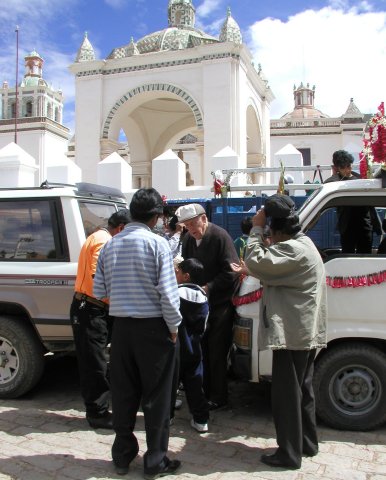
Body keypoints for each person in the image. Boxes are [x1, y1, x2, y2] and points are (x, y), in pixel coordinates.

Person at [232, 194, 327, 470]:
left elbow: (257, 261)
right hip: (302, 332)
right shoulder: (302, 243)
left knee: (286, 395)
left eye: (270, 231)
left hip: (292, 334)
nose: (268, 236)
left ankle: (289, 453)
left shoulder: (292, 250)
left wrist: (256, 228)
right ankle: (306, 444)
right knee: (302, 391)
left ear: (278, 229)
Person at [93, 188, 182, 479]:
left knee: (123, 394)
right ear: (156, 216)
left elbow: (99, 291)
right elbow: (169, 296)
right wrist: (173, 328)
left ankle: (122, 456)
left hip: (121, 330)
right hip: (154, 329)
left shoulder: (110, 245)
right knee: (157, 397)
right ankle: (155, 460)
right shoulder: (158, 245)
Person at [70, 209, 131, 430]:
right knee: (94, 364)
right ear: (122, 228)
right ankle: (97, 414)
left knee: (100, 360)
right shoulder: (103, 242)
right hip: (91, 309)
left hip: (95, 308)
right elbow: (99, 282)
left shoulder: (98, 236)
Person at [175, 203, 239, 410]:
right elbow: (186, 266)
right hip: (197, 303)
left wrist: (209, 287)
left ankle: (219, 396)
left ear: (204, 218)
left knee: (217, 350)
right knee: (199, 349)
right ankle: (202, 391)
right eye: (187, 226)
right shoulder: (187, 240)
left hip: (220, 303)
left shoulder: (220, 237)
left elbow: (232, 272)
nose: (192, 229)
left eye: (194, 223)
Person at [173, 258, 210, 433]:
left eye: (178, 272)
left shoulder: (175, 293)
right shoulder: (203, 297)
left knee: (170, 382)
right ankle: (201, 419)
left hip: (176, 348)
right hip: (195, 348)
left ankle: (168, 416)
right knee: (195, 383)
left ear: (186, 276)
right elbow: (202, 327)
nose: (176, 274)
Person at [324, 150, 381, 253]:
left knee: (365, 256)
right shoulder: (334, 182)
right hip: (347, 227)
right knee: (347, 255)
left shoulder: (360, 179)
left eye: (349, 166)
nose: (347, 170)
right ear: (337, 168)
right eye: (343, 167)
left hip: (364, 225)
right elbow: (327, 184)